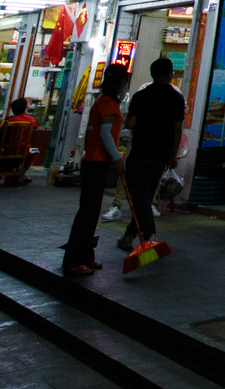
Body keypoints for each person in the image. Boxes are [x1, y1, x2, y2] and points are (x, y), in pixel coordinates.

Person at [64, 65, 128, 275]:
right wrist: (117, 159)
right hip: (96, 161)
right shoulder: (108, 102)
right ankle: (73, 261)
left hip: (95, 161)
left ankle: (86, 257)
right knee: (87, 213)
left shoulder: (102, 100)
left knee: (91, 212)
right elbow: (105, 133)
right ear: (120, 82)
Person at [119, 57, 185, 252]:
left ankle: (149, 235)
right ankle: (129, 236)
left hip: (140, 152)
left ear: (152, 73)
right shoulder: (177, 98)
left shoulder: (141, 96)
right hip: (161, 155)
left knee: (140, 196)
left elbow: (130, 124)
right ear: (170, 74)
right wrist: (173, 155)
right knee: (145, 196)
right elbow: (177, 129)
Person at [0, 98, 39, 187]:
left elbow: (0, 132)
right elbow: (36, 125)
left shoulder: (10, 120)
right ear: (25, 108)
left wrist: (1, 123)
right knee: (36, 152)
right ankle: (21, 174)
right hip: (23, 151)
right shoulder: (31, 120)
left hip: (6, 151)